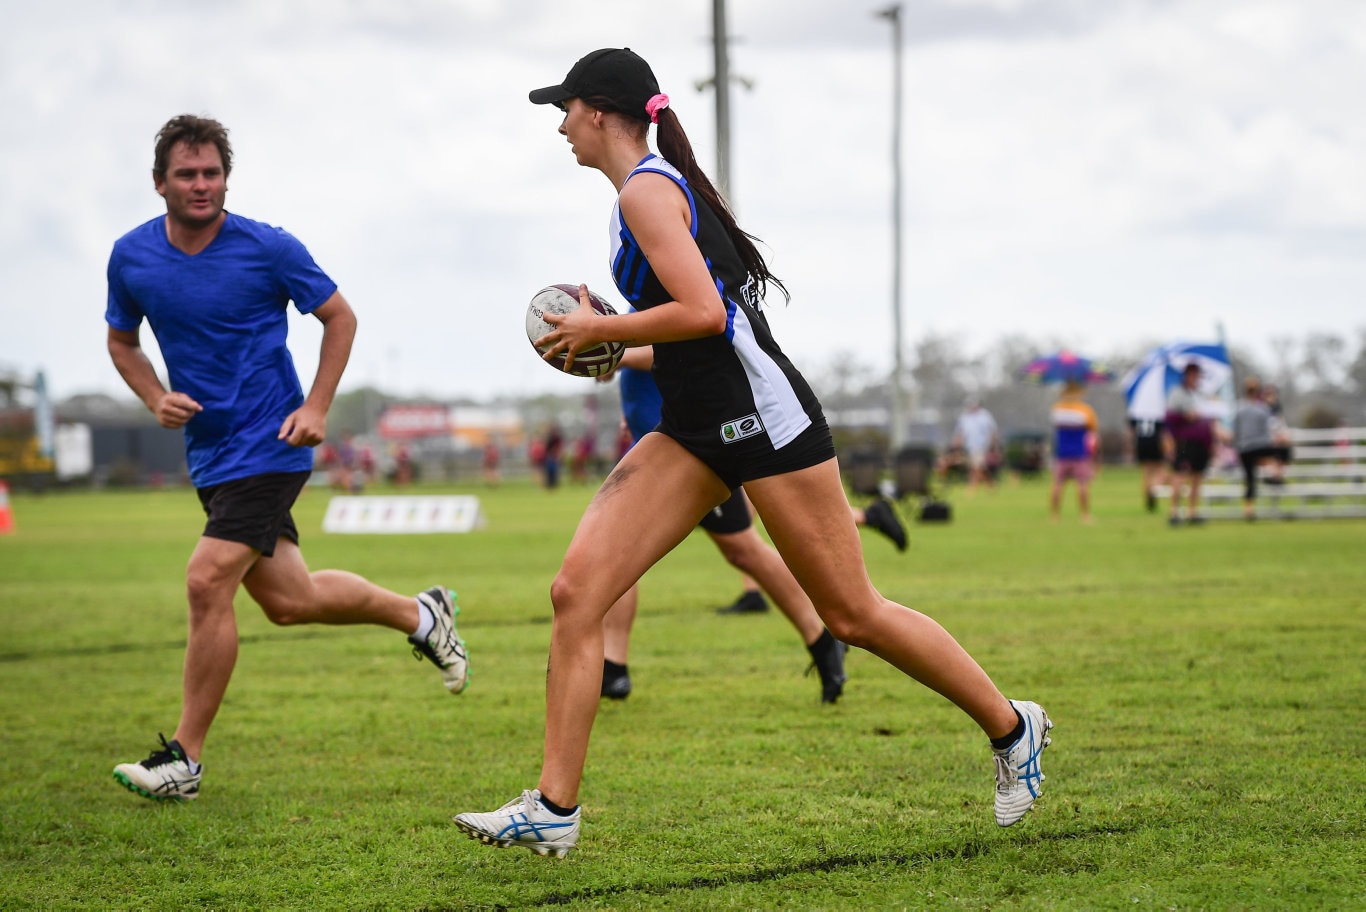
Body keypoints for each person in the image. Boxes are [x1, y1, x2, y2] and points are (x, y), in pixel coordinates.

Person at [452, 50, 1051, 857]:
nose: (559, 127)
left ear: (598, 111)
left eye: (564, 110)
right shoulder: (646, 191)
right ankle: (554, 808)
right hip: (695, 425)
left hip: (764, 419)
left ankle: (1015, 728)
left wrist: (603, 328)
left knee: (853, 614)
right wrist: (605, 351)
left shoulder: (647, 191)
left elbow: (702, 312)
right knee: (575, 592)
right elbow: (695, 331)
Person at [104, 115, 469, 802]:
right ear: (160, 183)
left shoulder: (268, 247)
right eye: (187, 174)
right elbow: (121, 340)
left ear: (226, 178)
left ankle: (184, 758)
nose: (202, 184)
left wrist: (318, 407)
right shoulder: (131, 257)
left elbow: (340, 316)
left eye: (212, 172)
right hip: (211, 456)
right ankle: (423, 615)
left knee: (206, 580)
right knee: (290, 601)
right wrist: (153, 395)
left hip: (272, 445)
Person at [598, 345, 901, 704]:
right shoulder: (638, 306)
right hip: (652, 452)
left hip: (695, 456)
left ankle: (821, 640)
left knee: (744, 550)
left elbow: (674, 347)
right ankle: (614, 666)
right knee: (616, 553)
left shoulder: (659, 301)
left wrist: (617, 352)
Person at [1163, 363, 1214, 526]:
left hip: (1201, 443)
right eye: (1192, 375)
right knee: (1180, 475)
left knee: (1197, 477)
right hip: (1185, 442)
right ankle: (1174, 511)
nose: (1195, 378)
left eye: (1197, 375)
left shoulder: (1200, 395)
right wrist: (1189, 415)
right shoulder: (1177, 393)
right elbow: (1171, 418)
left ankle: (1192, 512)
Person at [1232, 376, 1283, 520]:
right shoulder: (1263, 408)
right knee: (1278, 456)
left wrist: (1237, 445)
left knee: (1249, 479)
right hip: (1261, 446)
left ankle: (1249, 510)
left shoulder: (1239, 408)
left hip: (1244, 448)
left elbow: (1236, 431)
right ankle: (1274, 475)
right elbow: (1271, 428)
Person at [1048, 382, 1099, 524]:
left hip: (1061, 453)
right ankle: (1085, 515)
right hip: (1080, 453)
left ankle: (1054, 515)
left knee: (1057, 484)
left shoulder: (1057, 409)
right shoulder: (1085, 411)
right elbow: (1093, 431)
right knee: (1082, 484)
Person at [952, 399, 999, 492]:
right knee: (980, 466)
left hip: (982, 445)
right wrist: (957, 443)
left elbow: (992, 430)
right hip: (969, 445)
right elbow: (960, 432)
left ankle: (972, 486)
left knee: (976, 466)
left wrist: (993, 445)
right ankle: (991, 485)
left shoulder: (985, 416)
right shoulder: (965, 417)